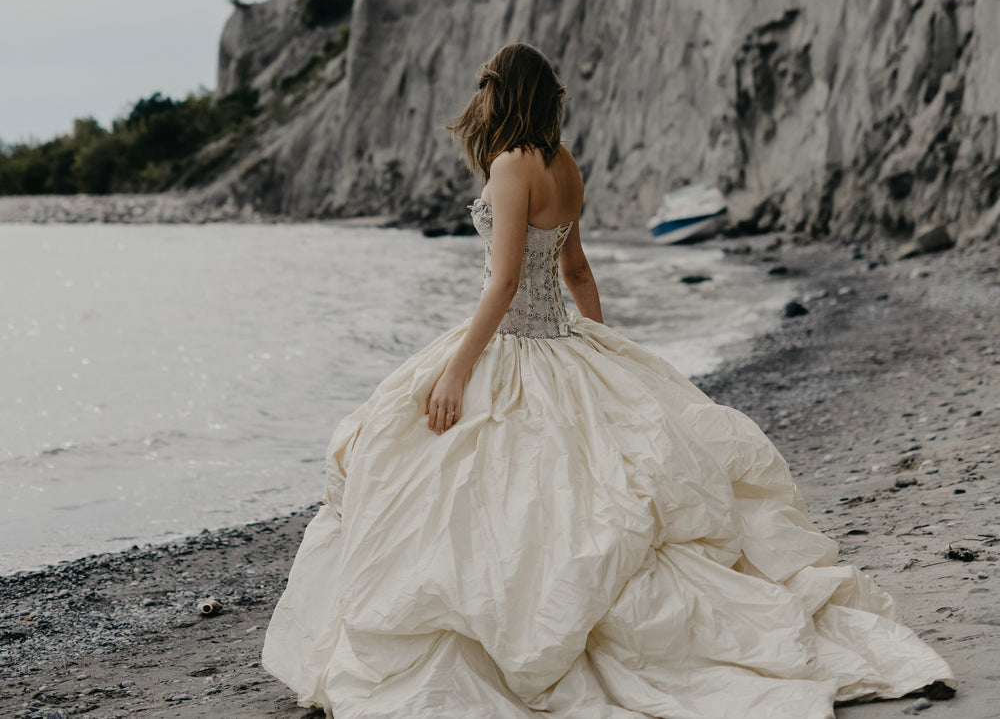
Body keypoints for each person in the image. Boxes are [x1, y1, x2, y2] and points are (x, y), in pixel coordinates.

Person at [261, 42, 955, 718]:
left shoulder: (509, 166)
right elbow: (577, 272)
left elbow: (504, 282)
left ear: (503, 94)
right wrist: (602, 346)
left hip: (515, 345)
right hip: (564, 341)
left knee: (440, 474)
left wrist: (457, 369)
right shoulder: (564, 164)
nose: (478, 101)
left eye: (486, 88)